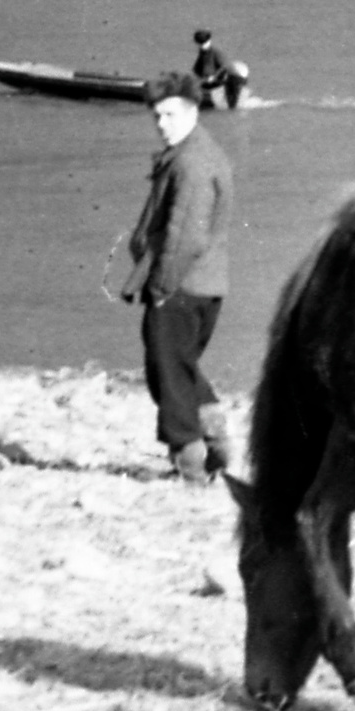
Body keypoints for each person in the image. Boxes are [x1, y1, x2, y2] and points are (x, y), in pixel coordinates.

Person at [121, 73, 236, 482]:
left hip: (183, 286)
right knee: (177, 365)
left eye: (169, 114)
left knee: (167, 373)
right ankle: (215, 435)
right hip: (205, 286)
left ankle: (190, 466)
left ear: (191, 112)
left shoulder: (191, 162)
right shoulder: (200, 152)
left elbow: (185, 235)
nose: (161, 124)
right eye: (156, 116)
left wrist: (162, 286)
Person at [190, 29, 248, 110]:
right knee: (200, 87)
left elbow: (224, 66)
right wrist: (196, 77)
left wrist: (214, 76)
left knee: (232, 106)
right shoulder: (203, 52)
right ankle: (207, 103)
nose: (202, 45)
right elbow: (197, 67)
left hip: (233, 78)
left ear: (209, 41)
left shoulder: (215, 52)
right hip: (220, 78)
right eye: (200, 44)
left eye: (204, 43)